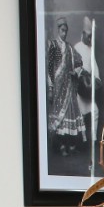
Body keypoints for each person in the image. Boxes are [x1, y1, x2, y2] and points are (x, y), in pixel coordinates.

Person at [45, 15, 84, 156]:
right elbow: (50, 69)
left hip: (68, 87)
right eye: (62, 30)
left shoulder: (69, 48)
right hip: (57, 87)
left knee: (69, 114)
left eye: (66, 30)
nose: (64, 33)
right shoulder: (53, 45)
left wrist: (76, 72)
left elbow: (80, 62)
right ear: (58, 29)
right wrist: (50, 88)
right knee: (59, 116)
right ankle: (61, 145)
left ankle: (68, 144)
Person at [73, 17, 101, 147]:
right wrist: (81, 75)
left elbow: (94, 67)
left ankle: (93, 139)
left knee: (95, 110)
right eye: (88, 36)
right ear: (83, 34)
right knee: (80, 115)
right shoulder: (76, 48)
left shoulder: (91, 50)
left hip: (88, 88)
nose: (90, 40)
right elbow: (73, 66)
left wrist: (95, 79)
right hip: (79, 89)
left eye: (91, 37)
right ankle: (83, 140)